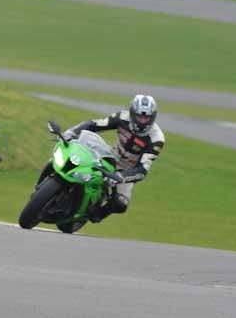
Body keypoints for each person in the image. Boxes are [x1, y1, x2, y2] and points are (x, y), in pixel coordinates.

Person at [61, 94, 164, 222]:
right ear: (132, 113)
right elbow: (94, 124)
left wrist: (122, 177)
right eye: (139, 116)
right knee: (80, 161)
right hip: (111, 155)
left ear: (153, 117)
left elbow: (142, 170)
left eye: (146, 118)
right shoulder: (122, 117)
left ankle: (90, 215)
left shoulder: (156, 139)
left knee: (120, 204)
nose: (142, 121)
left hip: (128, 169)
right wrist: (71, 132)